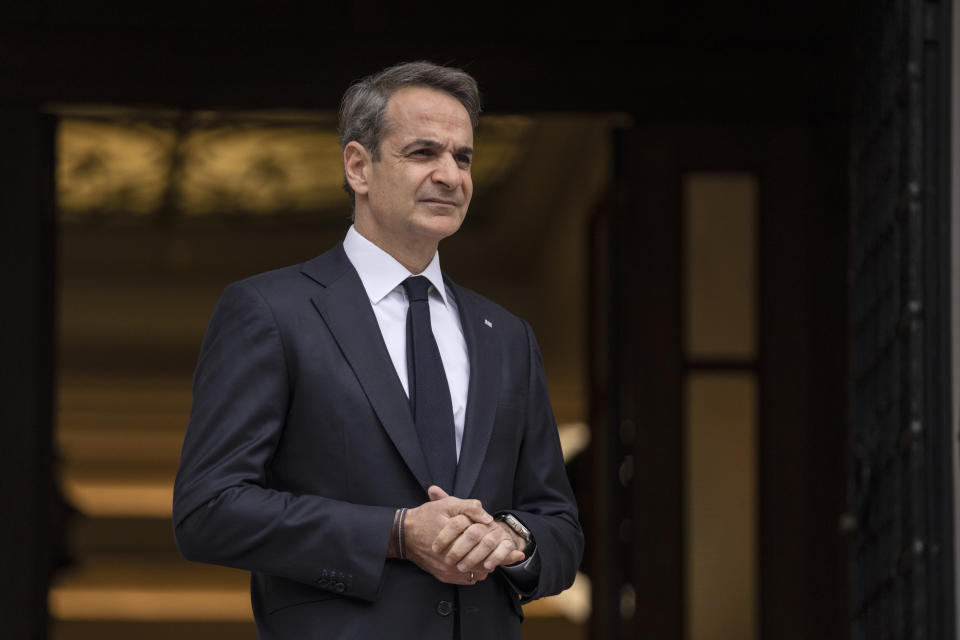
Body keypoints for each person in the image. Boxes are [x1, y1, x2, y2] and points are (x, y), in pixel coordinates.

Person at [172, 61, 583, 640]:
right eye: (423, 153)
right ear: (359, 167)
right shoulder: (271, 311)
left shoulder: (507, 334)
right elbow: (207, 512)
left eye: (463, 158)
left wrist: (514, 541)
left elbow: (559, 524)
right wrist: (394, 532)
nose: (450, 175)